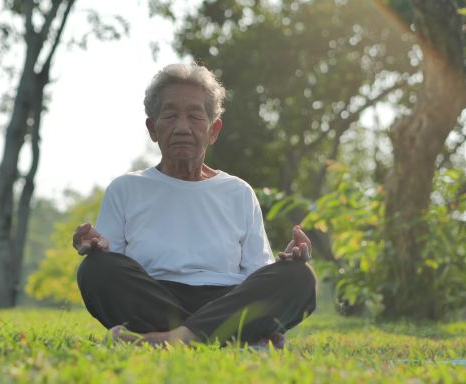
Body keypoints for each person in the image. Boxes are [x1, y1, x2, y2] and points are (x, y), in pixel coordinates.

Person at [73, 63, 316, 347]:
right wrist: (95, 247)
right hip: (156, 300)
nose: (182, 127)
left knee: (299, 277)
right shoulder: (125, 189)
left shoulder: (238, 192)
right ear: (153, 128)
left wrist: (283, 265)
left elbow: (256, 274)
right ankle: (233, 338)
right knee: (95, 269)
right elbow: (114, 267)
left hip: (226, 299)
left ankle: (173, 339)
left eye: (194, 116)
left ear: (213, 130)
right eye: (170, 115)